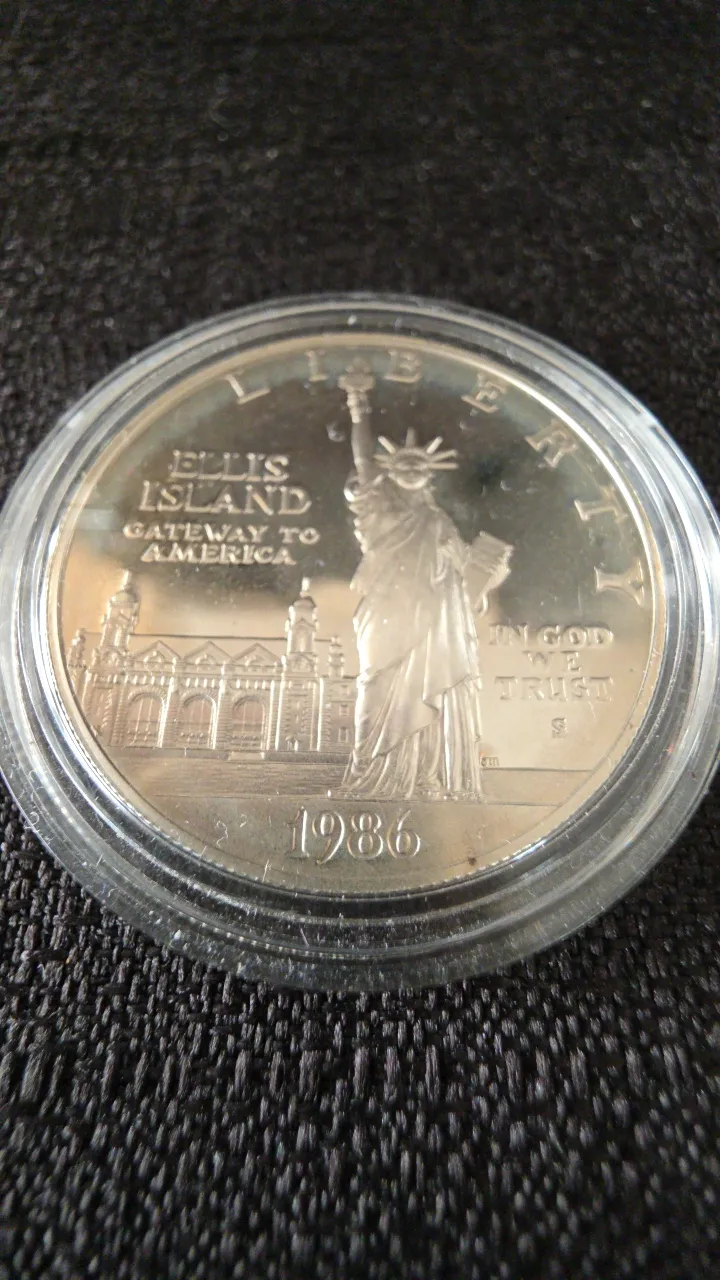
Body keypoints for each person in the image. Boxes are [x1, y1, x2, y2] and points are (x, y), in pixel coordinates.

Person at [339, 362, 512, 801]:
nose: (412, 466)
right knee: (374, 682)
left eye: (419, 463)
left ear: (430, 472)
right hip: (384, 608)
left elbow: (463, 570)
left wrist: (489, 575)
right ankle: (366, 774)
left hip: (434, 613)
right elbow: (363, 460)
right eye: (404, 462)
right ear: (390, 470)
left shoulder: (439, 520)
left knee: (428, 687)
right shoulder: (377, 507)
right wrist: (358, 407)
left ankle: (423, 777)